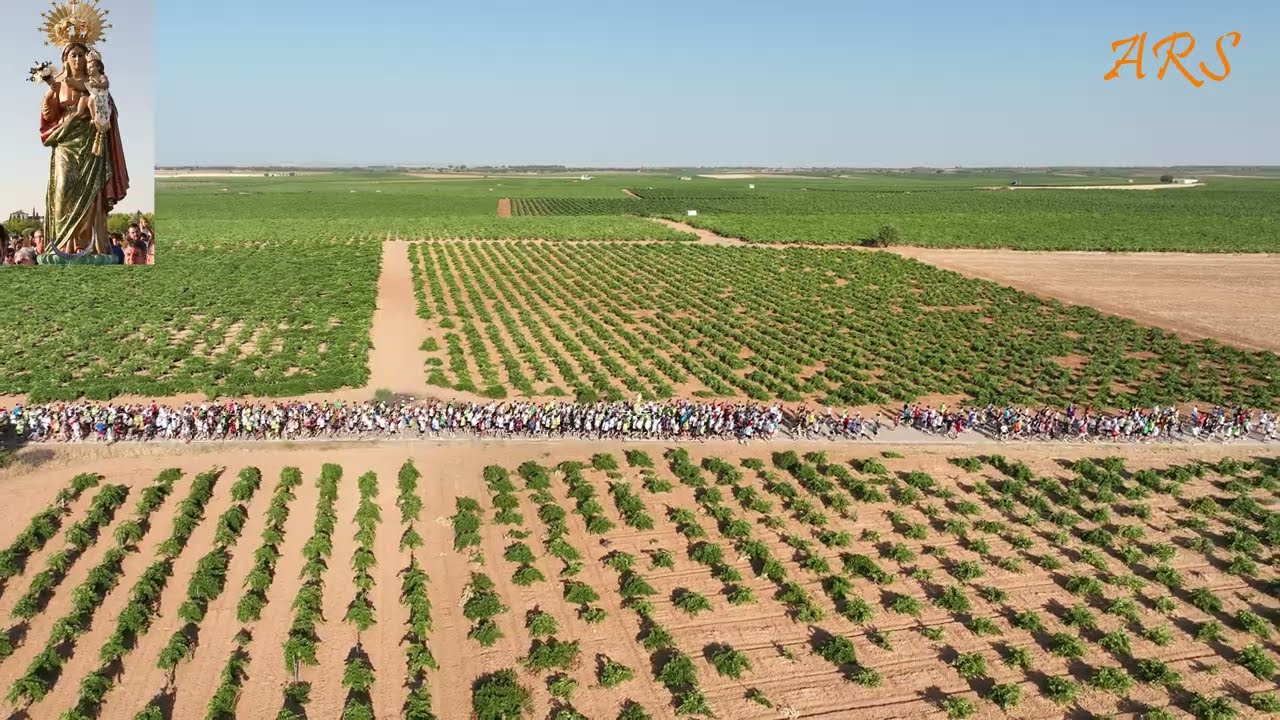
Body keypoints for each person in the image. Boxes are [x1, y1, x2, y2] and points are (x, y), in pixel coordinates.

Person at [38, 42, 129, 259]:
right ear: (65, 59)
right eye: (73, 55)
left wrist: (100, 109)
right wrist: (50, 95)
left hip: (91, 142)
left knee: (91, 190)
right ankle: (63, 244)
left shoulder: (94, 82)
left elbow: (107, 108)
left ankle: (88, 244)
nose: (77, 59)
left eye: (81, 55)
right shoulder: (59, 83)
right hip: (66, 140)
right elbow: (49, 116)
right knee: (62, 188)